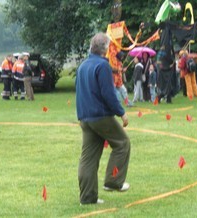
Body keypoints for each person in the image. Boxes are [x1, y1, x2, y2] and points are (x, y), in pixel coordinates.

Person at [76, 32, 130, 205]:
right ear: (106, 48)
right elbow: (108, 93)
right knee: (122, 143)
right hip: (100, 116)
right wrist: (121, 112)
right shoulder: (103, 66)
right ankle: (113, 182)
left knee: (88, 158)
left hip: (85, 117)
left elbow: (79, 91)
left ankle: (87, 198)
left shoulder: (83, 65)